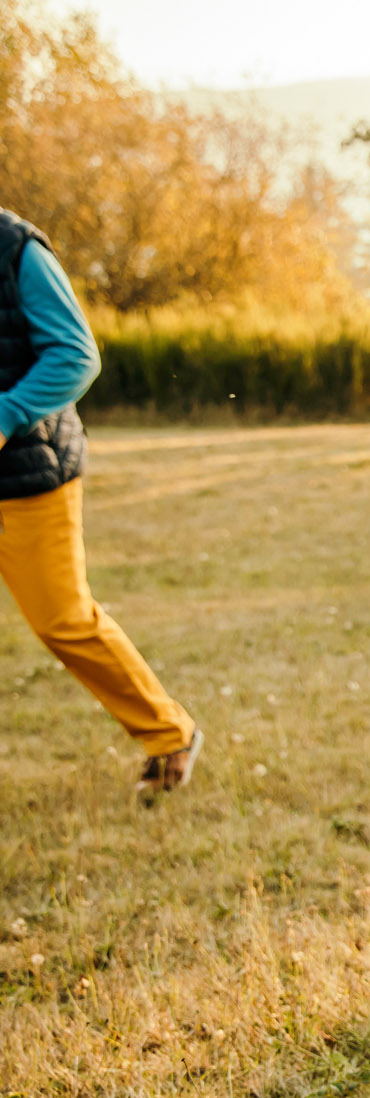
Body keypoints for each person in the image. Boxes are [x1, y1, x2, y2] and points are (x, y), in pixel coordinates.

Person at [0, 208, 200, 796]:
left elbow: (75, 355)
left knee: (63, 620)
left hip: (28, 474)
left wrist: (5, 414)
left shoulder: (15, 249)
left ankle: (169, 733)